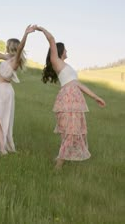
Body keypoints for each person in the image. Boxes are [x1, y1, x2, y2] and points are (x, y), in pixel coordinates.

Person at [36, 26, 106, 169]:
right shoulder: (56, 61)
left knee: (72, 131)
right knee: (70, 132)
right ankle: (58, 165)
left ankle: (59, 160)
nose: (67, 51)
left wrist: (95, 97)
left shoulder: (67, 66)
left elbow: (78, 84)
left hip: (76, 100)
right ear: (60, 50)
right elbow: (51, 40)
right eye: (66, 49)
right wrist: (41, 29)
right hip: (67, 99)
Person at [0, 25, 36, 155]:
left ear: (11, 46)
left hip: (3, 90)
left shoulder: (16, 59)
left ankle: (2, 149)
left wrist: (26, 34)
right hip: (3, 89)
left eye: (8, 45)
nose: (6, 47)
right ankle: (2, 147)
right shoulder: (9, 58)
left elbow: (21, 48)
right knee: (0, 117)